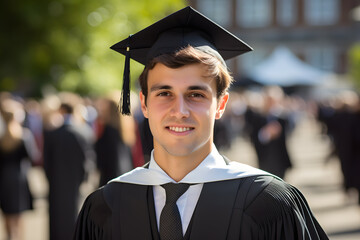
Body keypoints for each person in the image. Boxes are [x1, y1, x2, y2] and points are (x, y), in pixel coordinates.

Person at [73, 6, 328, 240]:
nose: (180, 111)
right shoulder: (105, 206)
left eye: (196, 95)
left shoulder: (271, 203)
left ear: (221, 104)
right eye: (164, 93)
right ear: (145, 103)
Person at [43, 92, 95, 240]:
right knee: (75, 214)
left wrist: (50, 178)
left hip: (56, 181)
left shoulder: (52, 133)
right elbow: (88, 160)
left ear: (61, 111)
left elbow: (46, 162)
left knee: (56, 217)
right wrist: (85, 179)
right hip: (75, 180)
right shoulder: (84, 132)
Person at [0, 96, 40, 240]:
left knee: (7, 216)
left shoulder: (2, 137)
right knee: (18, 217)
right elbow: (33, 157)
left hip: (3, 178)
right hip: (18, 178)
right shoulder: (24, 136)